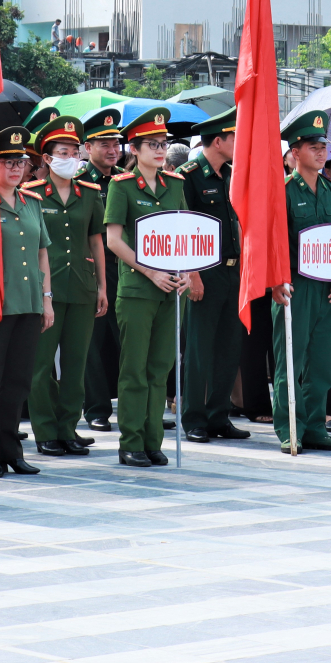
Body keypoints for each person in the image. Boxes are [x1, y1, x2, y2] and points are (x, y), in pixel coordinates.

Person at [102, 107, 186, 467]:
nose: (159, 149)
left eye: (163, 143)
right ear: (133, 150)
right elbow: (113, 240)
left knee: (160, 367)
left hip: (171, 289)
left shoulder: (175, 185)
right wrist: (151, 272)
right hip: (138, 288)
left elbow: (184, 233)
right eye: (151, 144)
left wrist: (186, 271)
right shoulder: (121, 186)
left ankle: (154, 440)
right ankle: (131, 440)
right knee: (134, 368)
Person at [0, 125, 51, 477]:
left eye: (20, 162)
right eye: (6, 162)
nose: (16, 168)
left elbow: (42, 253)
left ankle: (12, 450)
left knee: (18, 379)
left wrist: (47, 299)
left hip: (28, 301)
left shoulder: (31, 201)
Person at [26, 115, 107, 456]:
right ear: (46, 158)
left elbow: (96, 241)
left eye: (75, 152)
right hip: (45, 288)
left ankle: (68, 427)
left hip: (82, 288)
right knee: (41, 364)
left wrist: (102, 286)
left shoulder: (89, 193)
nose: (70, 158)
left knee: (76, 362)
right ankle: (45, 430)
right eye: (63, 151)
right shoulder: (30, 194)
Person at [274, 110, 331, 450]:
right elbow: (273, 239)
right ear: (294, 151)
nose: (321, 152)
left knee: (321, 363)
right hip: (295, 286)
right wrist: (277, 280)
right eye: (313, 146)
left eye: (324, 146)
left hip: (326, 287)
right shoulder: (284, 191)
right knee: (291, 360)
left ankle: (316, 426)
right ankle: (291, 426)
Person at [174, 109, 246, 444]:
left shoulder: (232, 174)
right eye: (234, 138)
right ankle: (194, 418)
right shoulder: (187, 176)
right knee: (200, 350)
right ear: (218, 141)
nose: (238, 143)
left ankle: (219, 415)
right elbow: (183, 228)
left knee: (229, 347)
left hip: (234, 271)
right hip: (205, 273)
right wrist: (193, 274)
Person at [77, 105, 127, 433]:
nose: (112, 150)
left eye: (116, 144)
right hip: (91, 269)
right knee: (92, 343)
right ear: (88, 148)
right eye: (104, 144)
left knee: (125, 340)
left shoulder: (124, 181)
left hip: (124, 269)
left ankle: (126, 404)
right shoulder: (80, 181)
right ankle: (96, 408)